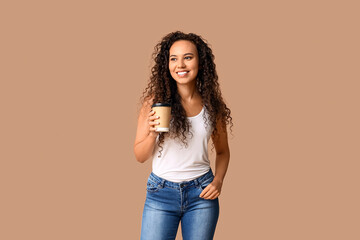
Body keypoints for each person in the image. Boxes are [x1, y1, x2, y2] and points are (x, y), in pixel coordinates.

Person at [134, 31, 232, 240]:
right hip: (160, 193)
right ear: (167, 65)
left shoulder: (213, 106)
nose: (180, 65)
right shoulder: (153, 102)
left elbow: (223, 152)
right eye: (173, 59)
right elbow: (140, 156)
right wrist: (152, 133)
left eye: (188, 57)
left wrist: (218, 181)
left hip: (201, 194)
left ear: (200, 62)